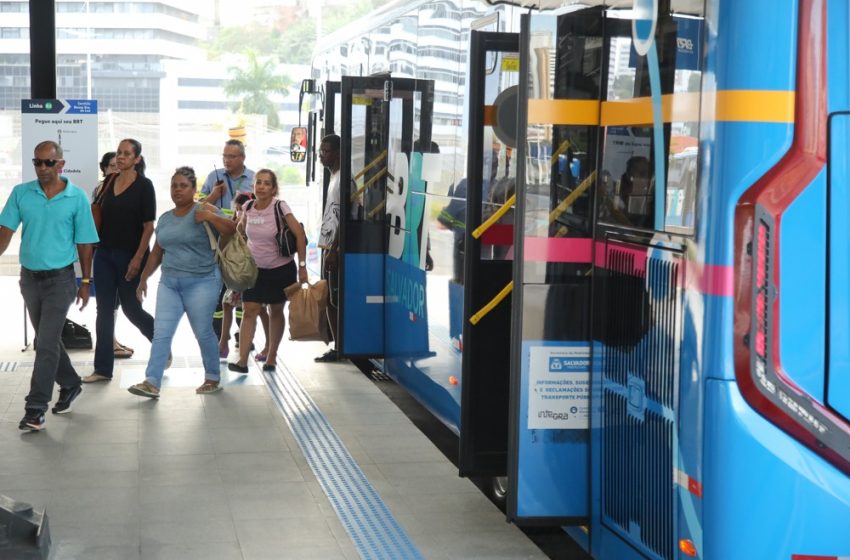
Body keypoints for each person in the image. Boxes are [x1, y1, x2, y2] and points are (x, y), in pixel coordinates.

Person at [0, 140, 99, 430]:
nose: (42, 168)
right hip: (30, 279)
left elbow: (85, 243)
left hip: (61, 280)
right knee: (48, 339)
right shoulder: (21, 193)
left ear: (60, 164)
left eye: (48, 163)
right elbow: (5, 231)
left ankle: (35, 407)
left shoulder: (76, 198)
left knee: (43, 342)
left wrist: (85, 281)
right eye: (37, 162)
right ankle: (70, 382)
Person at [128, 167, 236, 398]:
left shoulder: (205, 209)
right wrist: (143, 279)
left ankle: (212, 377)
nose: (177, 190)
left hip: (202, 281)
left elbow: (231, 229)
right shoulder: (166, 219)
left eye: (183, 186)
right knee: (161, 333)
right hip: (169, 283)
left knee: (203, 332)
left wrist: (210, 216)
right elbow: (157, 252)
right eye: (174, 186)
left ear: (194, 189)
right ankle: (151, 381)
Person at [83, 139, 156, 384]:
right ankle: (102, 368)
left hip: (130, 255)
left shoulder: (145, 186)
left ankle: (161, 344)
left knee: (131, 308)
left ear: (137, 159)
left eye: (127, 154)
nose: (121, 157)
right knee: (103, 310)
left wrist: (138, 259)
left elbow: (148, 227)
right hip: (104, 254)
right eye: (119, 153)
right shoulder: (109, 183)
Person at [228, 169, 307, 374]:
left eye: (266, 183)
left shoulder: (280, 207)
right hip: (255, 271)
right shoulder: (248, 206)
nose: (261, 187)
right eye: (258, 183)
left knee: (275, 311)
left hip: (281, 270)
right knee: (250, 311)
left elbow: (299, 235)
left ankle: (271, 356)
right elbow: (240, 233)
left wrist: (302, 267)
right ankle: (242, 360)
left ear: (273, 188)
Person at [201, 139, 255, 345]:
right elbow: (198, 207)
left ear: (242, 158)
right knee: (218, 289)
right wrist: (214, 194)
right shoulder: (214, 177)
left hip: (243, 242)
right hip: (218, 243)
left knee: (242, 287)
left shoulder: (253, 178)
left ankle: (245, 336)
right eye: (224, 156)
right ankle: (217, 336)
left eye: (231, 156)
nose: (227, 160)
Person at [218, 191, 270, 361]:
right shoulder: (235, 224)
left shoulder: (254, 224)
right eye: (238, 209)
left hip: (255, 273)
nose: (240, 212)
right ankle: (223, 342)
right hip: (240, 273)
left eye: (242, 209)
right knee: (227, 304)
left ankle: (269, 345)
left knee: (261, 310)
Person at [92, 151, 134, 360]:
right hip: (104, 252)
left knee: (119, 304)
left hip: (123, 253)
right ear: (104, 169)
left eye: (117, 165)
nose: (115, 169)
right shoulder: (101, 190)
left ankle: (112, 341)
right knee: (107, 305)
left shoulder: (132, 187)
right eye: (111, 166)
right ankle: (109, 345)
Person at [315, 134, 341, 363]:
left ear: (338, 153)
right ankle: (336, 344)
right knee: (329, 297)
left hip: (334, 248)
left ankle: (340, 347)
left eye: (326, 151)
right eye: (320, 151)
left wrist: (333, 250)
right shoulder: (333, 177)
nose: (321, 155)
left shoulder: (343, 180)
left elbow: (344, 219)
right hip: (327, 244)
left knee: (333, 299)